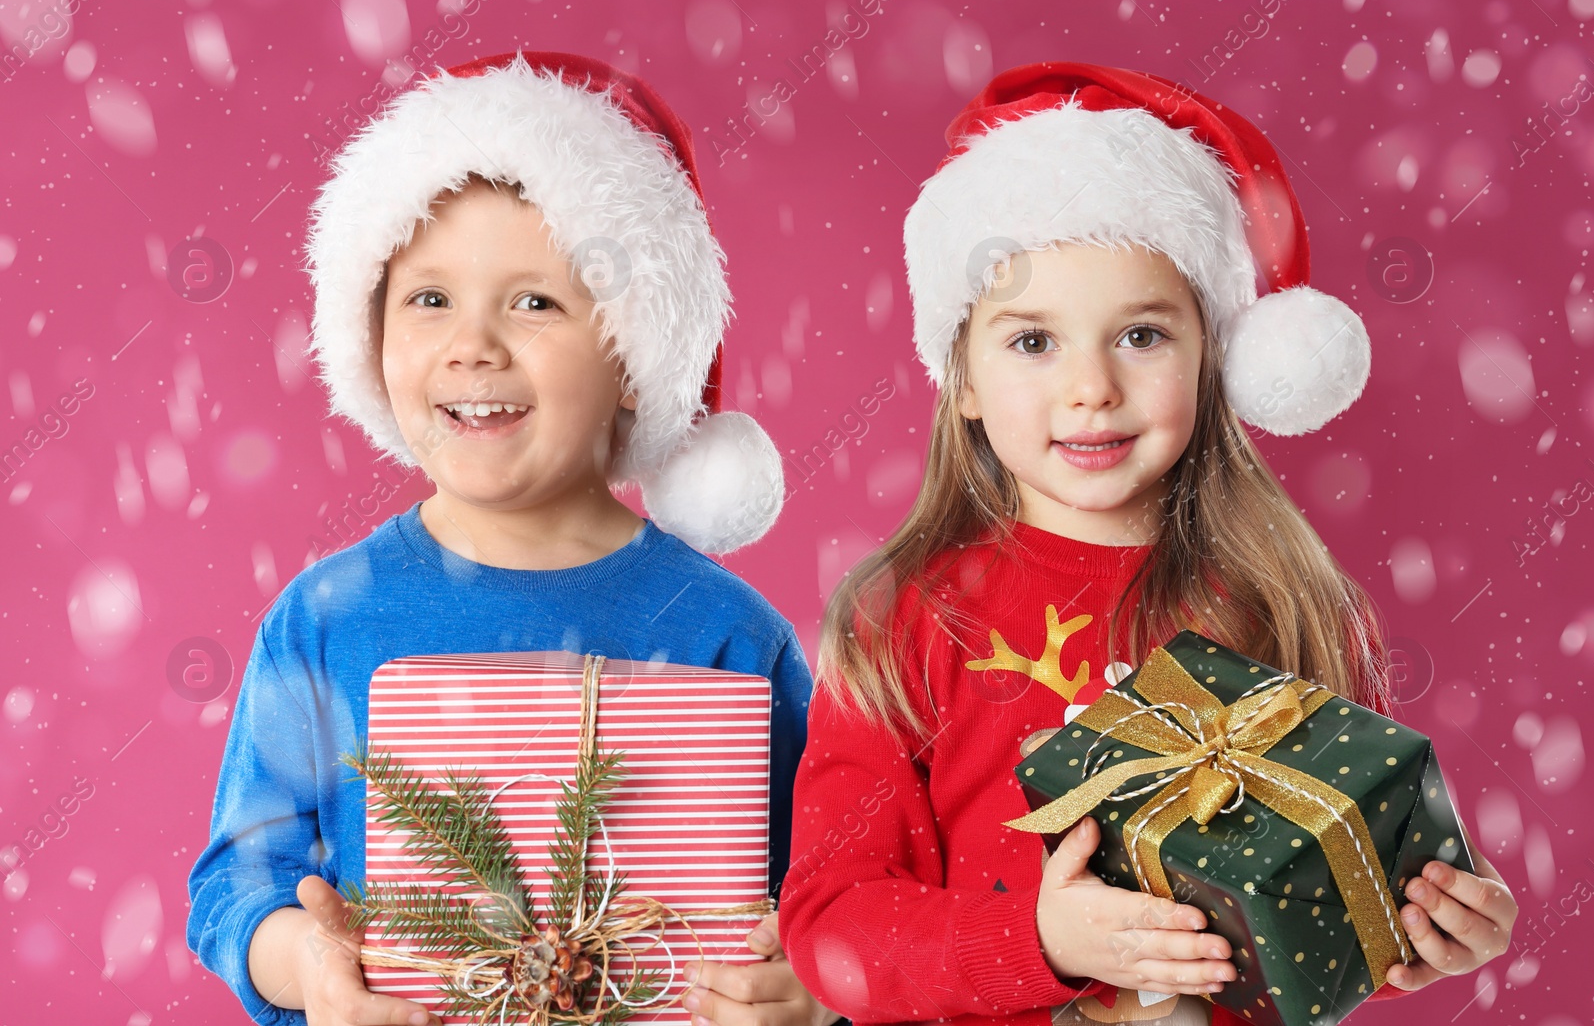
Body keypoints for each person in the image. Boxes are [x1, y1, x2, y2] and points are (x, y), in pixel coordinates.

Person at [776, 63, 1515, 1026]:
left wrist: (1425, 925)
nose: (1091, 387)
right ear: (959, 376)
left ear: (1213, 358)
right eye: (1033, 342)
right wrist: (1038, 944)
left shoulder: (1283, 600)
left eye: (1140, 336)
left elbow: (1327, 897)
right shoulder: (905, 620)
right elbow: (834, 924)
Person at [187, 51, 835, 1026]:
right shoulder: (324, 620)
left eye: (534, 301)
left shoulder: (731, 634)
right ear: (371, 332)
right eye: (429, 298)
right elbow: (238, 886)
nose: (472, 344)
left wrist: (812, 989)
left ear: (631, 353)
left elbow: (836, 901)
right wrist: (309, 965)